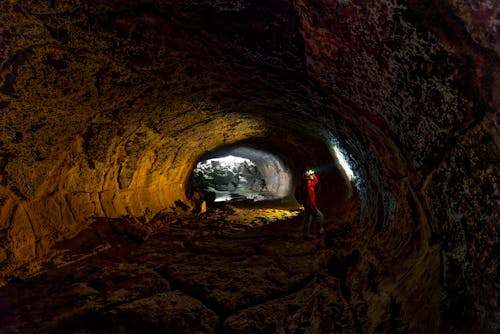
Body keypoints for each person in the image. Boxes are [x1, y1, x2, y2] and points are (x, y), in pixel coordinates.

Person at [302, 169, 324, 238]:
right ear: (308, 177)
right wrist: (315, 208)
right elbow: (310, 200)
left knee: (308, 219)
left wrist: (312, 173)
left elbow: (316, 181)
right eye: (311, 175)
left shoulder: (309, 184)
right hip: (310, 206)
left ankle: (306, 234)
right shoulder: (308, 187)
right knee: (320, 216)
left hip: (307, 205)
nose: (312, 176)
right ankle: (319, 232)